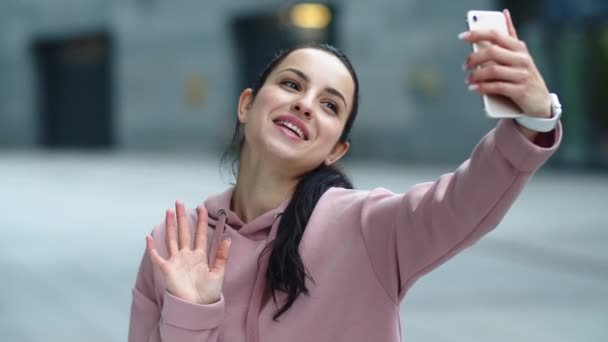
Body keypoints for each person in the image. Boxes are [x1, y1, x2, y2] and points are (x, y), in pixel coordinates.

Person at [128, 9, 562, 342]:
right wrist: (191, 313)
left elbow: (465, 200)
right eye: (292, 85)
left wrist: (533, 120)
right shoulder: (174, 245)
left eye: (330, 105)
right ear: (247, 105)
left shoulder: (371, 228)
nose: (305, 104)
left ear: (336, 149)